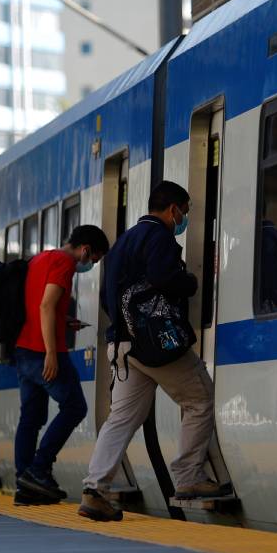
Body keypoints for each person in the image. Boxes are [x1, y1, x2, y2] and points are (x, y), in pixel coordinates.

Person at [79, 181, 227, 522]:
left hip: (122, 346)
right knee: (199, 397)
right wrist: (190, 282)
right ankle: (189, 477)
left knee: (121, 419)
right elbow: (164, 276)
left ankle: (95, 489)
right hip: (157, 344)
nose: (184, 218)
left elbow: (106, 297)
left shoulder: (121, 245)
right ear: (172, 209)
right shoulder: (159, 236)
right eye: (184, 212)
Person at [13, 225, 108, 504]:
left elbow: (38, 305)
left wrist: (65, 321)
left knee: (29, 418)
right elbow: (45, 305)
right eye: (94, 259)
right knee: (74, 407)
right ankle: (39, 469)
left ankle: (24, 485)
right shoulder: (63, 263)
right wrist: (52, 353)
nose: (91, 264)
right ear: (86, 250)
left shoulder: (40, 258)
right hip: (42, 351)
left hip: (22, 348)